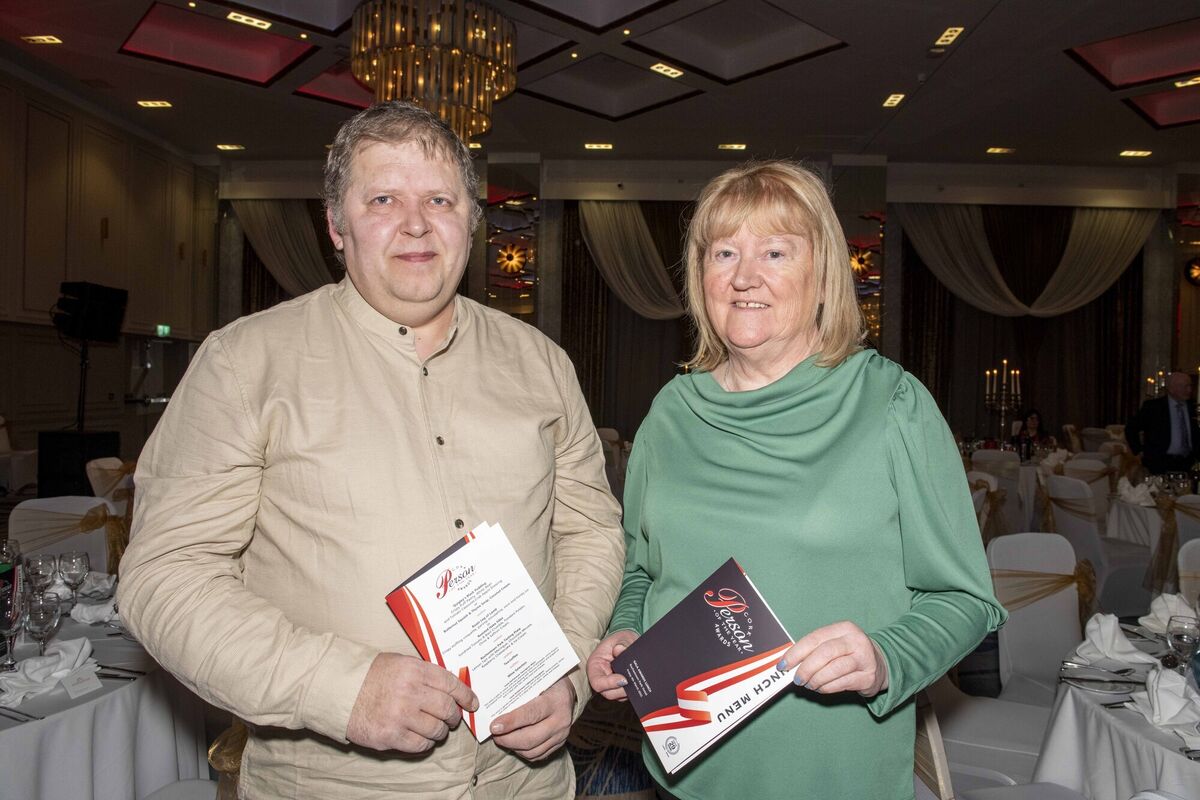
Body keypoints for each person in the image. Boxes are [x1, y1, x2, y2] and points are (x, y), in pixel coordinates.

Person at [117, 102, 625, 798]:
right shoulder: (244, 364)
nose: (416, 223)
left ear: (471, 221)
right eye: (383, 198)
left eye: (440, 200)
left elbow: (589, 531)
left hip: (524, 783)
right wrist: (340, 686)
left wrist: (567, 666)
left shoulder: (542, 364)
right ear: (336, 225)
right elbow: (165, 577)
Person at [585, 160, 1005, 799]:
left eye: (775, 251)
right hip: (685, 773)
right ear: (701, 277)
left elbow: (967, 600)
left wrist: (885, 657)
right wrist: (623, 631)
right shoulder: (672, 412)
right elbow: (642, 570)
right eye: (724, 252)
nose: (745, 276)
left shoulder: (889, 402)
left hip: (831, 772)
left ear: (823, 275)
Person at [1126, 371, 1200, 474]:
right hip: (1159, 462)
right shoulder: (1154, 407)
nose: (1189, 390)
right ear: (1171, 388)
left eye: (1190, 386)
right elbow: (1131, 428)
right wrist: (1139, 451)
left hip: (1188, 463)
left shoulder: (1193, 407)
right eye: (1185, 386)